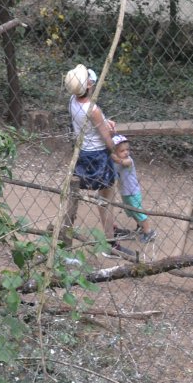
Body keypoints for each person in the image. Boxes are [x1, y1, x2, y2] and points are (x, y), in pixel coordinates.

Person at [61, 63, 131, 257]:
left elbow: (91, 124)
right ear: (89, 86)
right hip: (99, 155)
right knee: (107, 198)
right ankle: (110, 243)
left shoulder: (72, 101)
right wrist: (115, 155)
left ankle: (111, 230)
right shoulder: (93, 110)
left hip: (83, 153)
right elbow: (106, 138)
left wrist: (104, 121)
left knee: (102, 196)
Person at [108, 133, 158, 246]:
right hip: (125, 192)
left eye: (127, 149)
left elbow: (124, 163)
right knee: (131, 211)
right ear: (115, 151)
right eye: (122, 151)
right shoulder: (115, 163)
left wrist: (115, 157)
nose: (126, 152)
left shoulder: (128, 160)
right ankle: (140, 227)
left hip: (133, 192)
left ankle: (149, 232)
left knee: (137, 211)